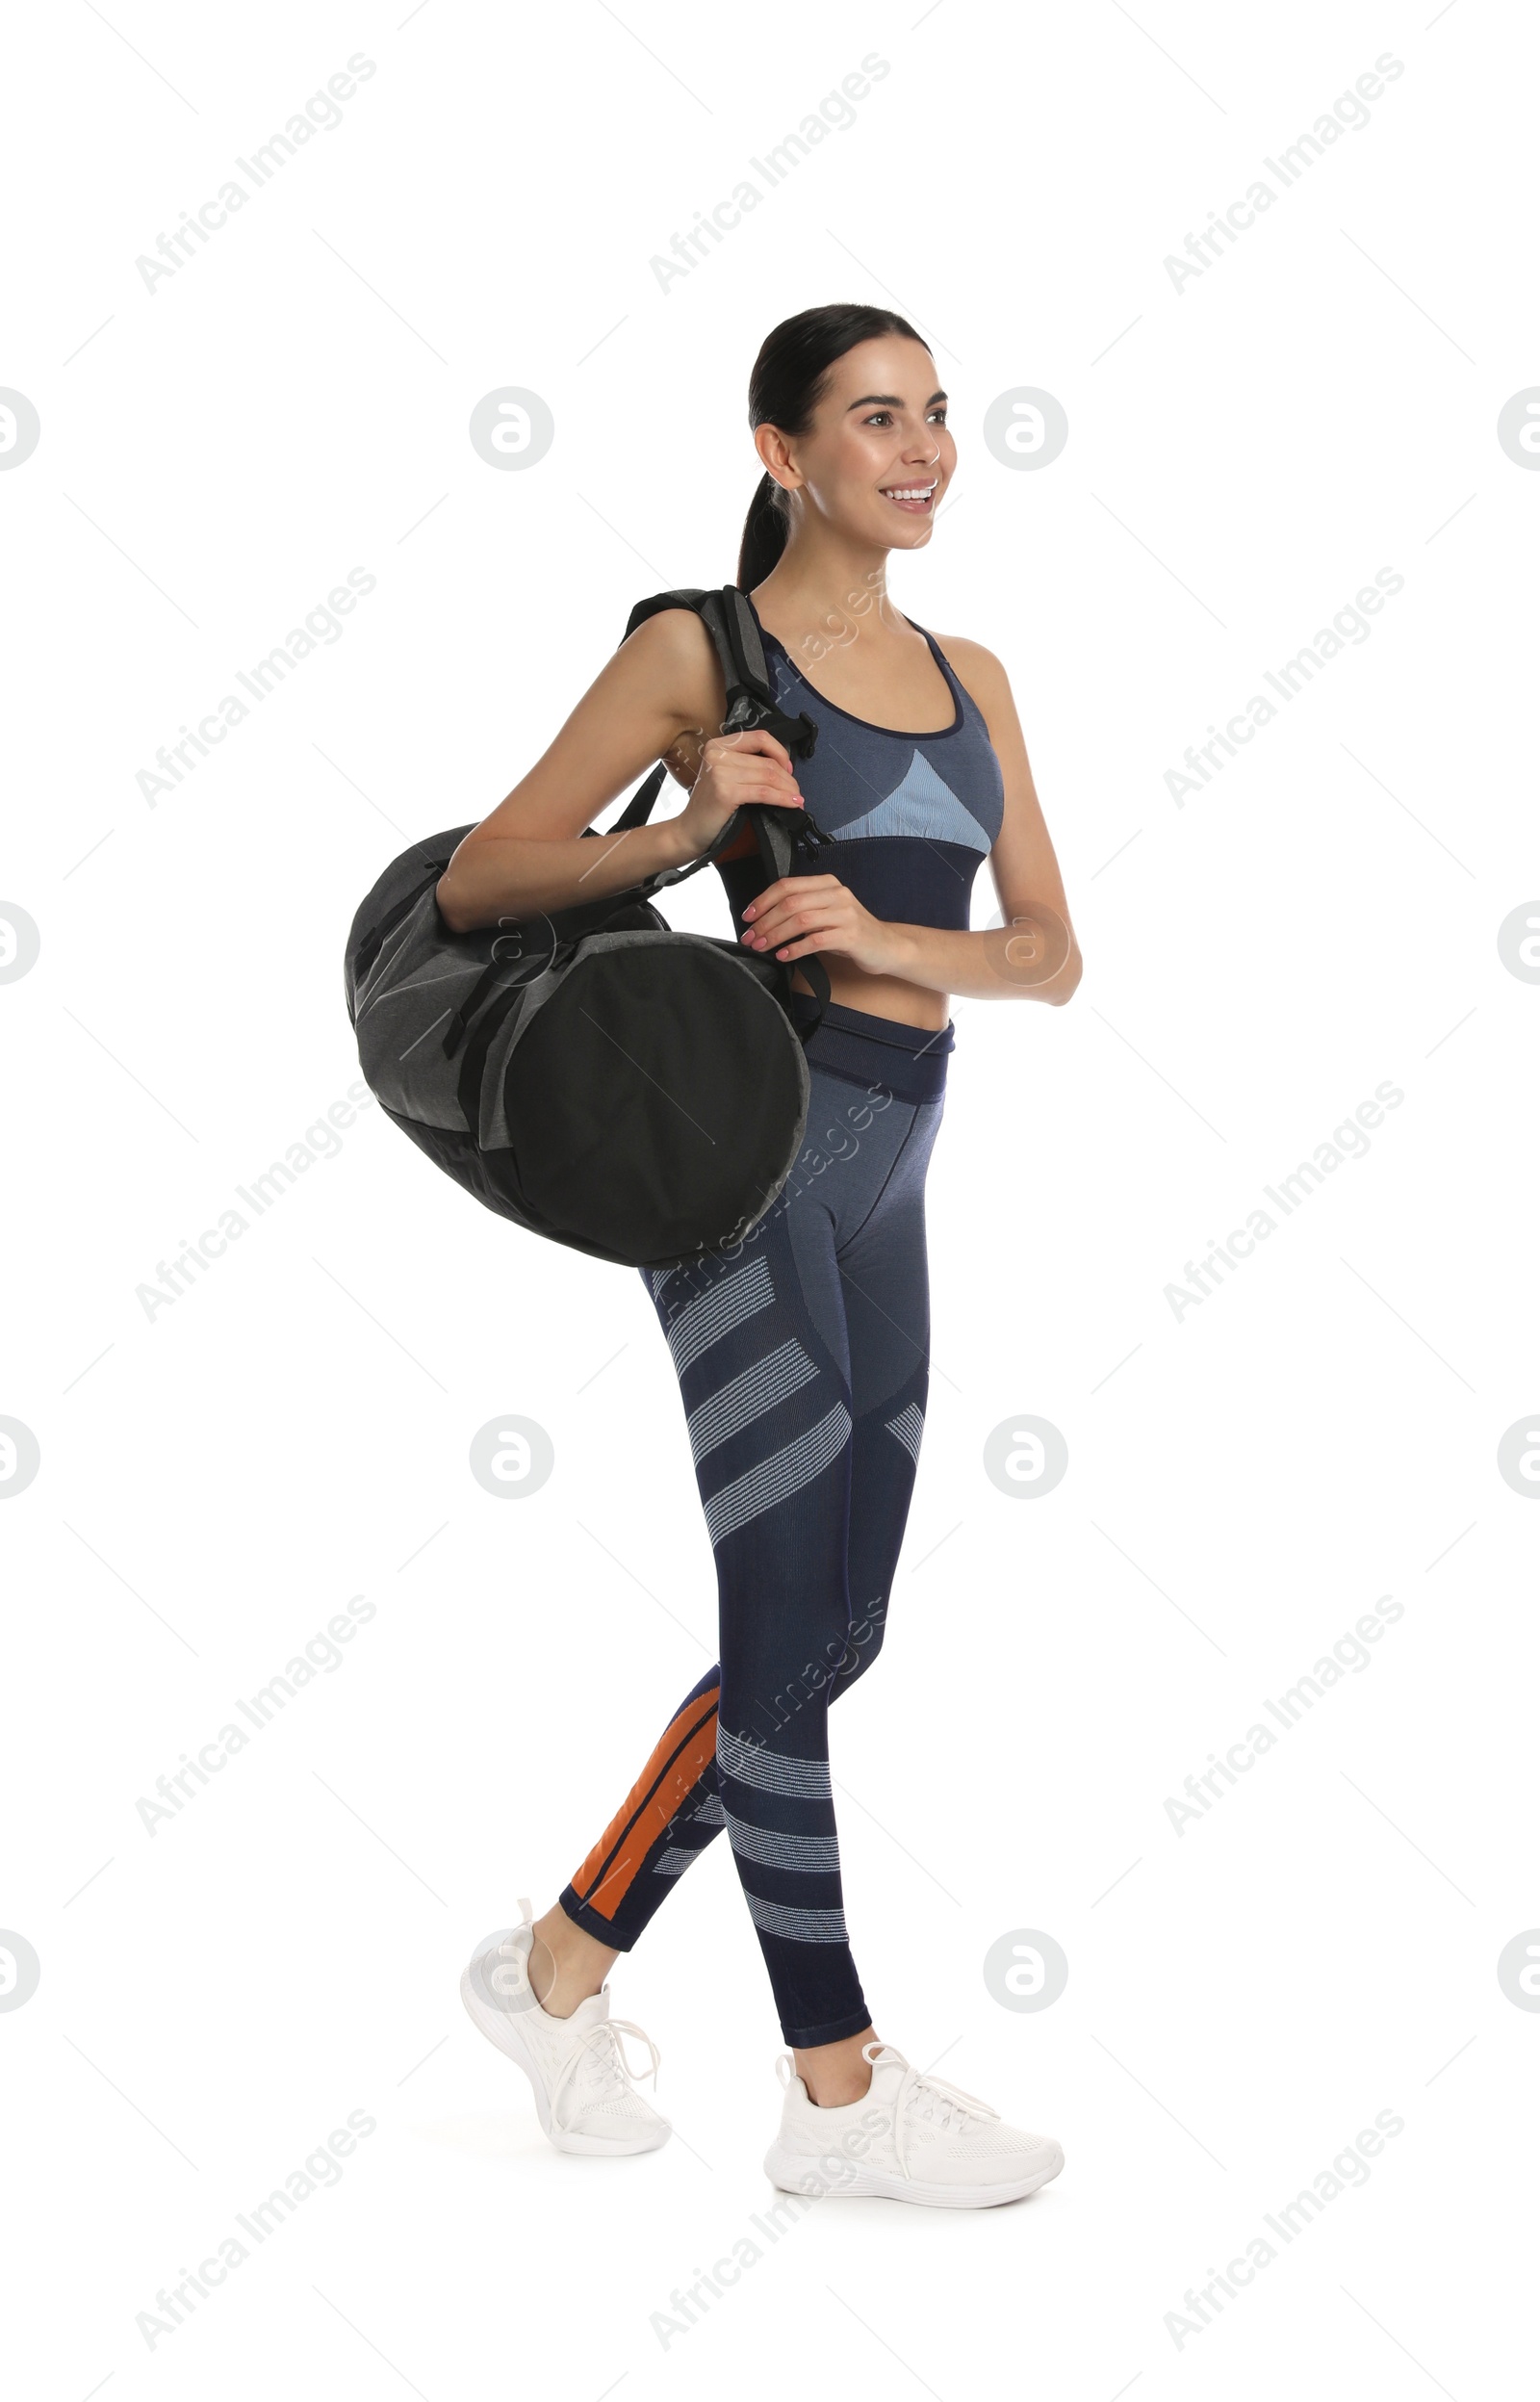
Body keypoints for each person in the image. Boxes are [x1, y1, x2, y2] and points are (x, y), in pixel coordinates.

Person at [440, 303, 1083, 2208]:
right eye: (874, 417)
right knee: (776, 1645)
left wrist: (905, 951)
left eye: (939, 414)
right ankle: (837, 2093)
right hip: (746, 1168)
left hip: (896, 1169)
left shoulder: (970, 675)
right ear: (778, 451)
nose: (922, 448)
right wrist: (688, 829)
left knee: (835, 1633)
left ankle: (555, 1971)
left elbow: (1044, 948)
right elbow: (486, 875)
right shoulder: (689, 656)